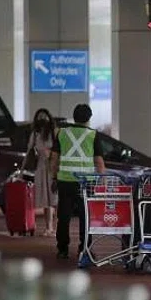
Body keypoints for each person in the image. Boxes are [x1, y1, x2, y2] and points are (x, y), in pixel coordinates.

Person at [50, 104, 106, 260]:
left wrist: (54, 177)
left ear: (74, 117)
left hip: (65, 180)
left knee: (64, 216)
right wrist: (100, 182)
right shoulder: (93, 135)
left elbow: (54, 159)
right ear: (89, 118)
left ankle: (62, 249)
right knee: (85, 216)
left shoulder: (62, 133)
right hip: (85, 182)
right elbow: (99, 162)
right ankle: (85, 248)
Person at [27, 108, 58, 236]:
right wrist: (22, 170)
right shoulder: (35, 133)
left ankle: (55, 227)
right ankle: (49, 227)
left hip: (53, 167)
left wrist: (50, 153)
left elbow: (60, 149)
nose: (42, 119)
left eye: (44, 117)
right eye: (39, 117)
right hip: (41, 167)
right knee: (46, 199)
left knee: (55, 199)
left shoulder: (54, 132)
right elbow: (29, 150)